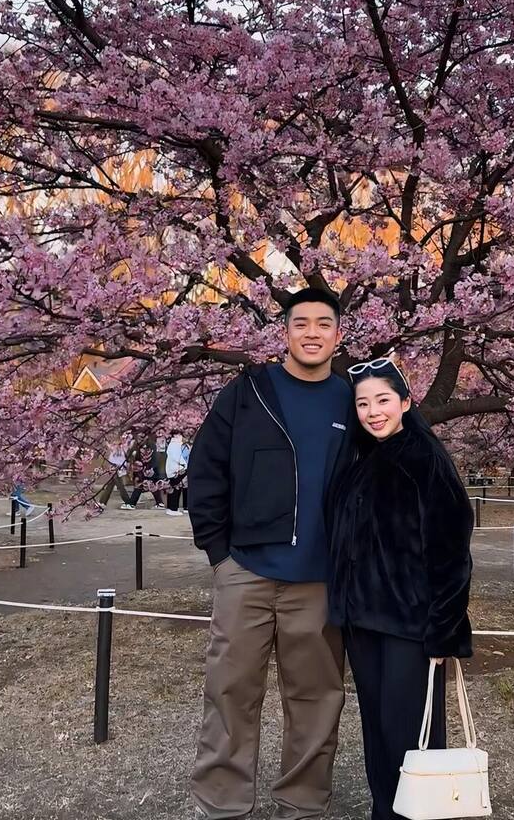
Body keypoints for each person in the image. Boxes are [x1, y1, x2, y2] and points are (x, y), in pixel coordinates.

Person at [188, 287, 356, 820]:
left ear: (338, 335)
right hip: (248, 571)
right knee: (230, 693)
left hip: (321, 580)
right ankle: (222, 804)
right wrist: (219, 553)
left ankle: (302, 805)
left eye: (322, 324)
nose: (311, 332)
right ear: (284, 332)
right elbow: (207, 469)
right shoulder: (248, 392)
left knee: (315, 698)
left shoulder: (355, 399)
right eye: (300, 322)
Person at [325, 357, 474, 820]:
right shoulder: (358, 460)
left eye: (383, 400)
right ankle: (384, 811)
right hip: (361, 621)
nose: (373, 411)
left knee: (411, 730)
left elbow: (452, 550)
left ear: (406, 402)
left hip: (411, 624)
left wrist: (443, 631)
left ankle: (421, 814)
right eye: (363, 403)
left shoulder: (425, 459)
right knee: (377, 728)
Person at [120, 435, 166, 510]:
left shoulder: (150, 445)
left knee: (142, 485)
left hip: (147, 469)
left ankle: (132, 503)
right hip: (142, 469)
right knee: (146, 485)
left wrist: (150, 468)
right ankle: (159, 503)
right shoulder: (139, 444)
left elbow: (153, 457)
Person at [164, 433, 191, 516]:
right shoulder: (175, 445)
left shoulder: (175, 445)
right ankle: (173, 508)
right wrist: (184, 464)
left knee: (176, 488)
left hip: (175, 470)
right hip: (176, 470)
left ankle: (172, 508)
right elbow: (177, 457)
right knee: (175, 488)